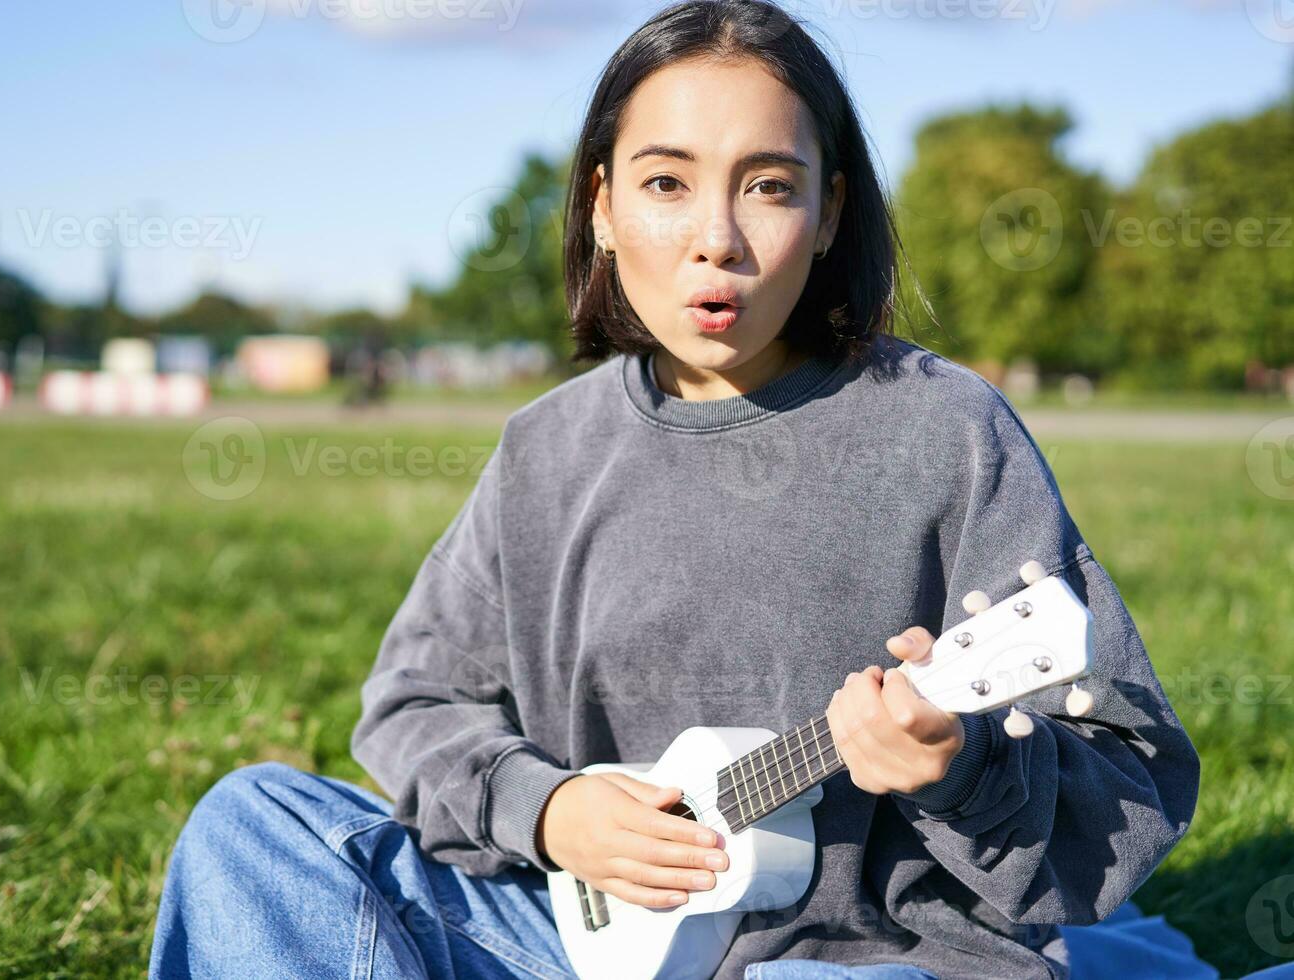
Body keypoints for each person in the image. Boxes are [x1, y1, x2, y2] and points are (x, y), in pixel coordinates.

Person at [149, 2, 1213, 977]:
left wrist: (964, 766)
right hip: (574, 939)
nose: (717, 237)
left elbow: (1132, 780)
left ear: (832, 211)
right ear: (602, 207)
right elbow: (414, 704)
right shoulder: (545, 448)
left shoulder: (945, 429)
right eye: (666, 183)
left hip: (868, 956)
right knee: (254, 823)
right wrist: (553, 809)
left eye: (770, 184)